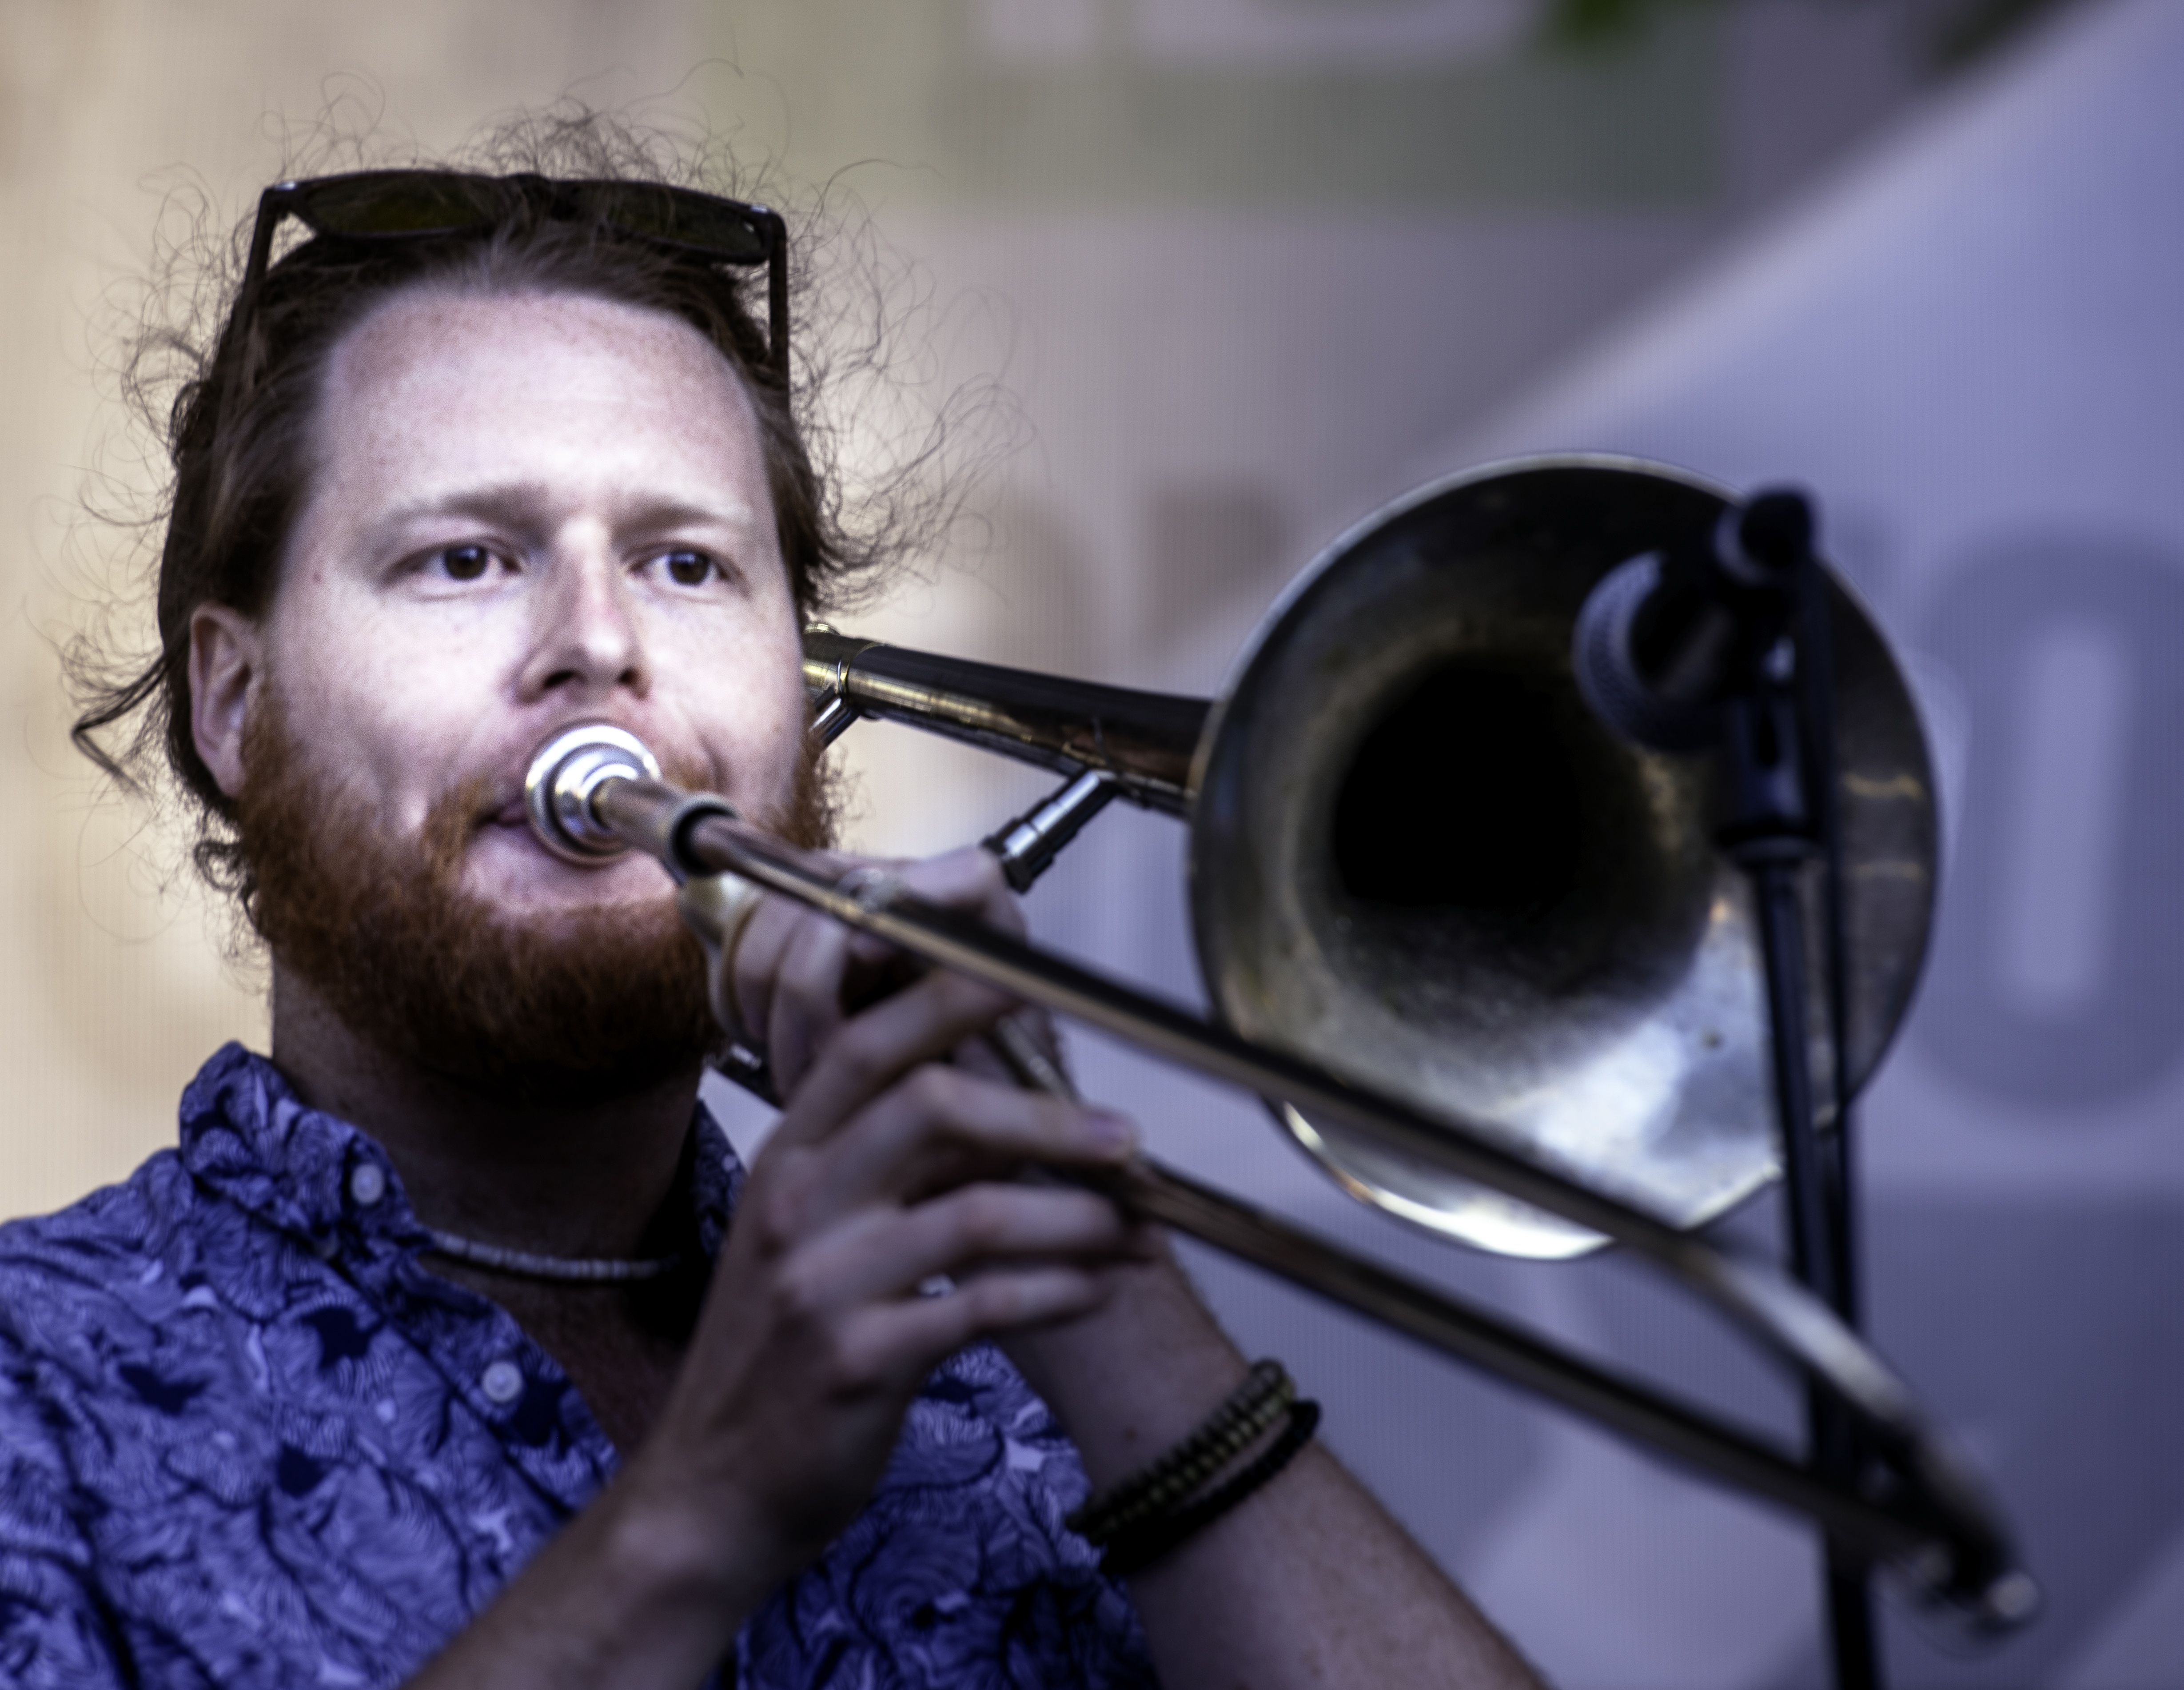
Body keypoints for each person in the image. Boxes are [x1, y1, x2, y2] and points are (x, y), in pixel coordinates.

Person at [0, 120, 1544, 1689]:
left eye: (686, 565)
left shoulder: (1005, 1400)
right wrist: (703, 1511)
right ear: (235, 701)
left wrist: (1105, 1287)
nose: (599, 641)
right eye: (467, 558)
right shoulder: (34, 1385)